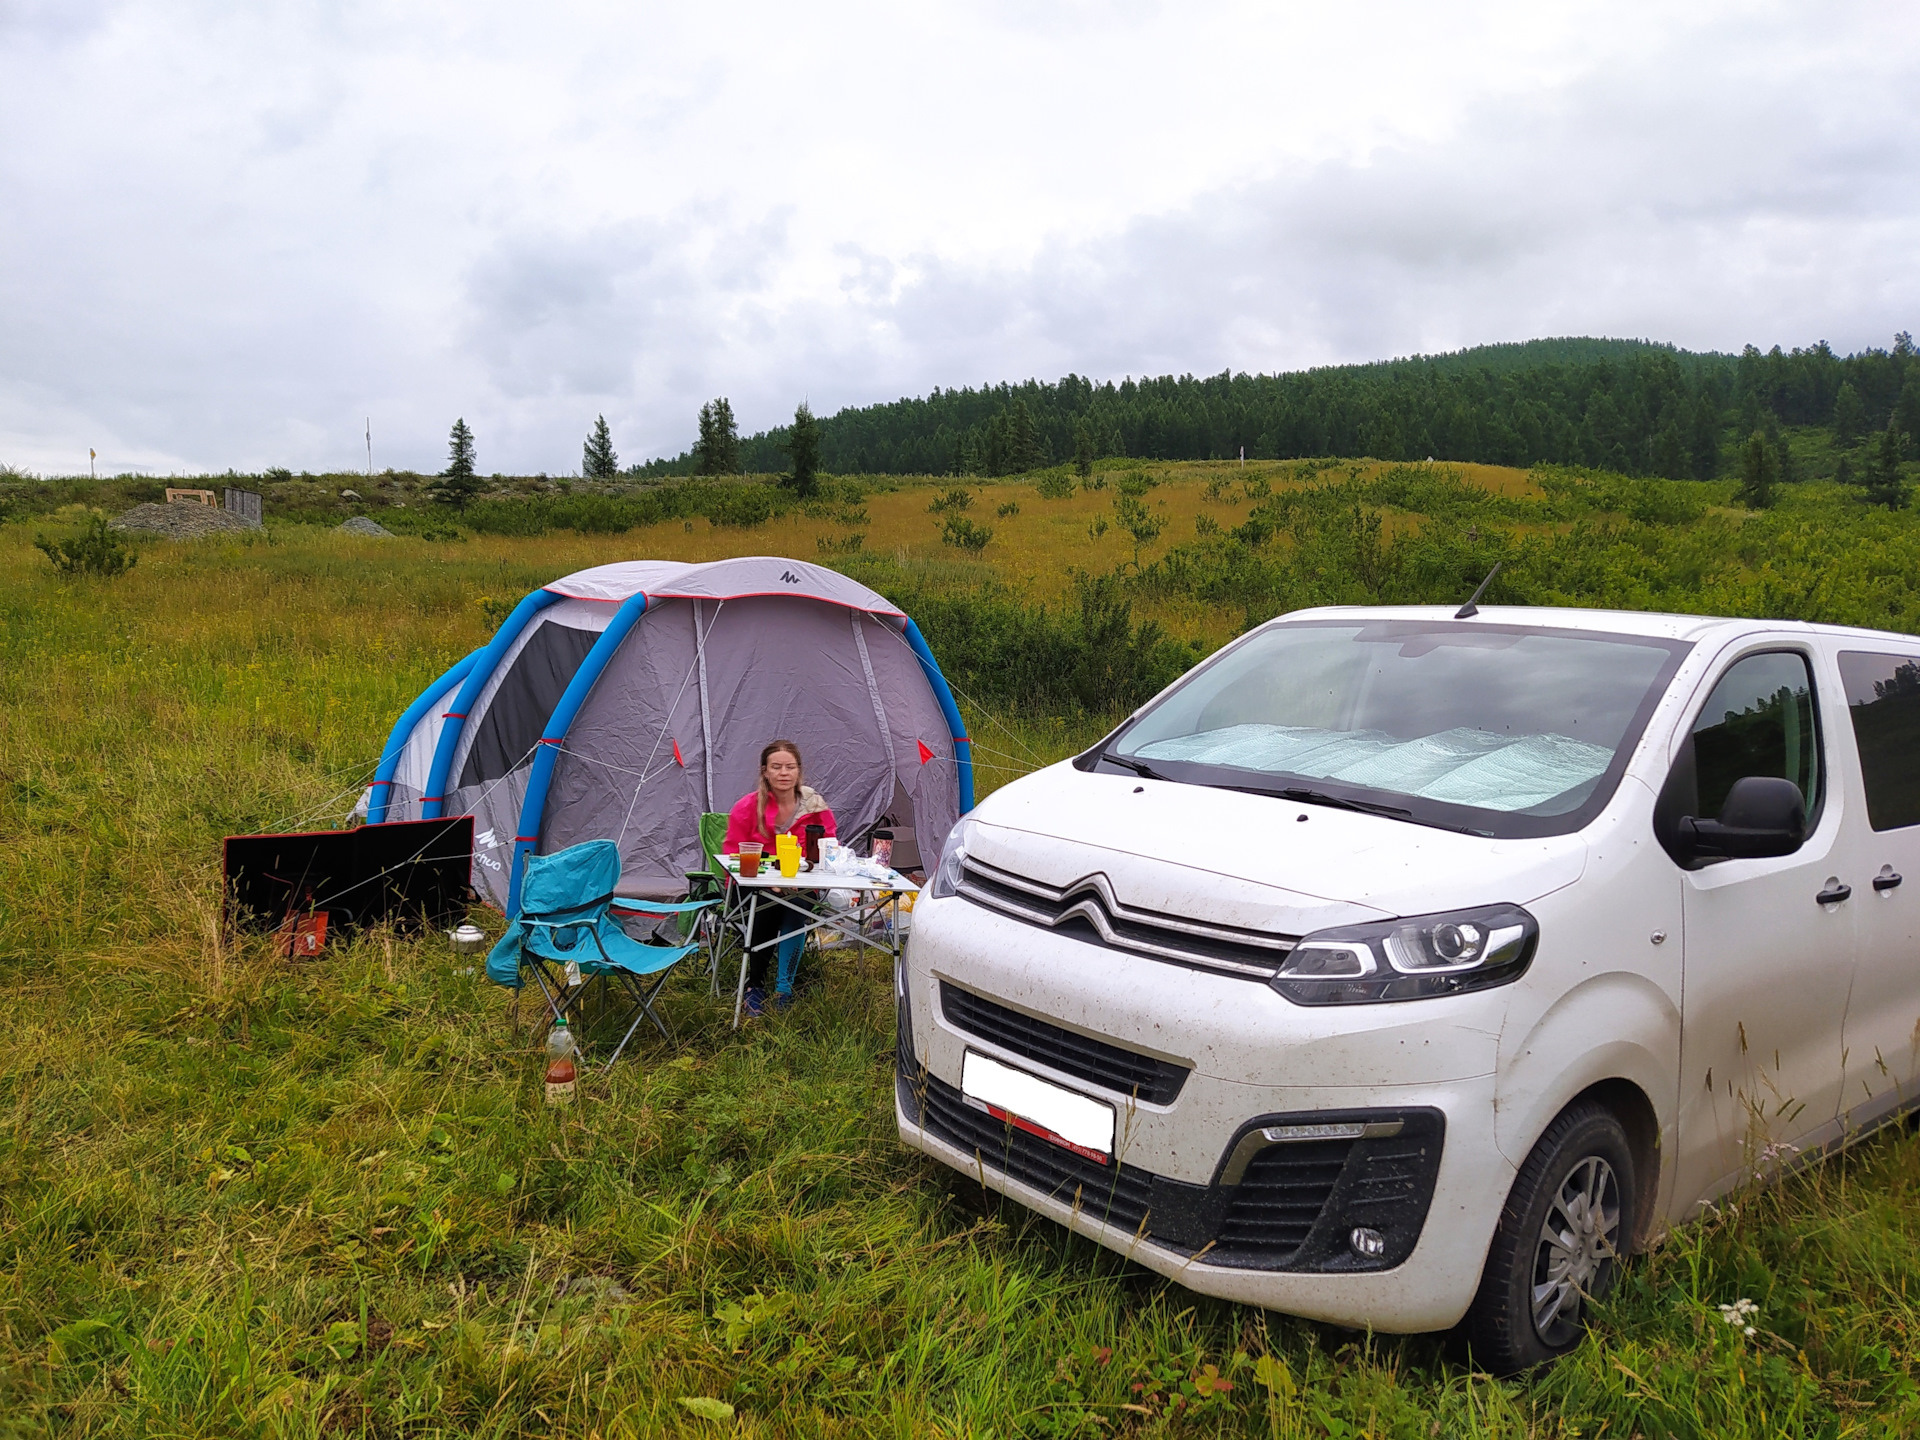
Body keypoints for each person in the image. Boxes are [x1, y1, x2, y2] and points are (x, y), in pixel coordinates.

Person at [724, 739, 835, 1015]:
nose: (783, 773)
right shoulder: (747, 807)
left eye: (790, 767)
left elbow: (831, 847)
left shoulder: (815, 807)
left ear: (799, 771)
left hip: (801, 883)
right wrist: (766, 878)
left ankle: (783, 990)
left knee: (796, 901)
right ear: (765, 771)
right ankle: (756, 985)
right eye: (776, 767)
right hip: (751, 886)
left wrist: (805, 876)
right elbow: (731, 859)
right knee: (768, 901)